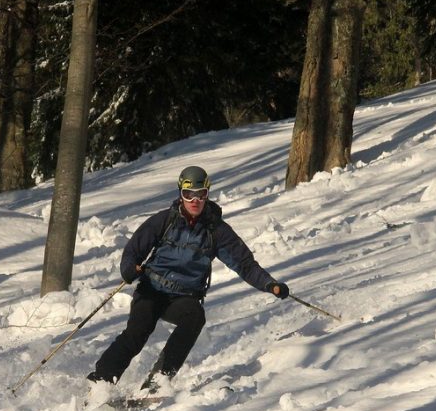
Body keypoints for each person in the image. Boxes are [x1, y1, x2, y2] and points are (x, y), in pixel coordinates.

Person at [87, 165, 289, 388]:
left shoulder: (216, 231)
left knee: (195, 317)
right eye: (188, 194)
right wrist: (128, 269)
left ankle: (158, 381)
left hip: (184, 297)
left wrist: (269, 284)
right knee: (137, 332)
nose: (195, 200)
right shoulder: (164, 221)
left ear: (207, 194)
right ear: (180, 194)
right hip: (152, 289)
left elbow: (244, 264)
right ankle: (100, 382)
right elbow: (134, 250)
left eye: (201, 194)